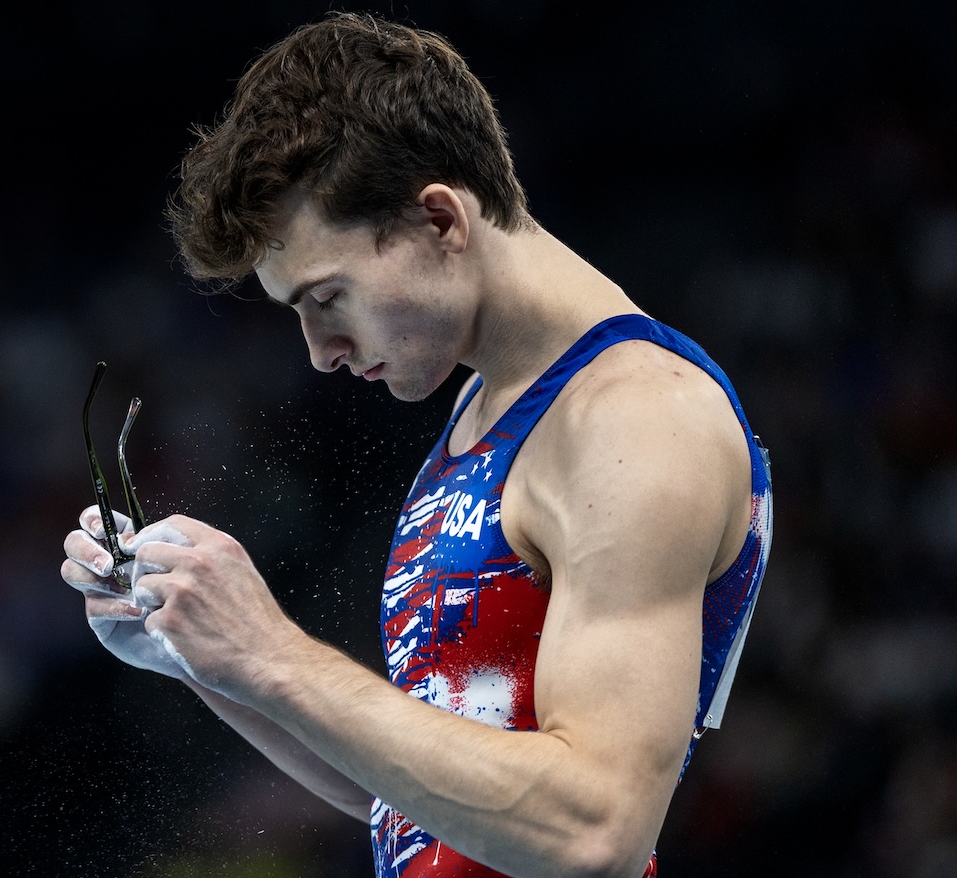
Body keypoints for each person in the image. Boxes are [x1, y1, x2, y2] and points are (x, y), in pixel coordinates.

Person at [60, 12, 772, 877]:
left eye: (327, 298)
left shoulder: (637, 419)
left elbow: (597, 831)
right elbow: (412, 796)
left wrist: (271, 651)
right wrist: (203, 655)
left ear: (440, 220)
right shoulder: (484, 412)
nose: (322, 354)